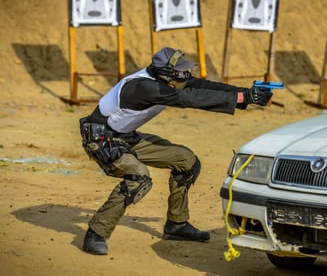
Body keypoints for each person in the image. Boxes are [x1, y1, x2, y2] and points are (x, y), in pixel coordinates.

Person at [79, 47, 273, 255]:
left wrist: (246, 93)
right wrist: (244, 98)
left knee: (187, 162)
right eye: (180, 72)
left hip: (125, 136)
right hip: (101, 139)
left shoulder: (167, 79)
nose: (185, 75)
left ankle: (177, 224)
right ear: (165, 72)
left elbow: (201, 85)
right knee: (138, 178)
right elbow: (189, 98)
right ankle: (96, 233)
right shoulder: (144, 87)